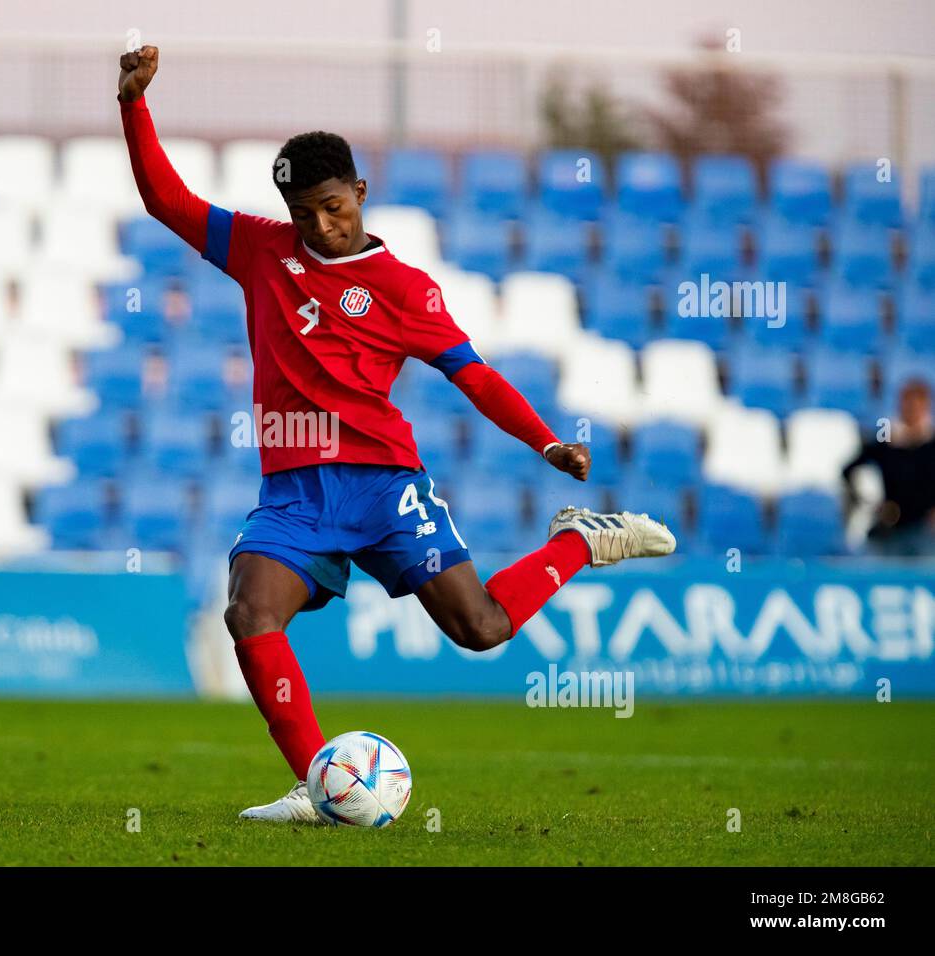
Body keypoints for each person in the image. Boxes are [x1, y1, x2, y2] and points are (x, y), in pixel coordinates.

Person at [117, 45, 675, 822]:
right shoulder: (258, 248)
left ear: (361, 192)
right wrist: (134, 105)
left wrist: (546, 442)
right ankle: (317, 785)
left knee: (481, 629)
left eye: (334, 206)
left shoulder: (406, 290)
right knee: (249, 611)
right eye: (304, 211)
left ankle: (581, 540)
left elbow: (473, 374)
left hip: (384, 484)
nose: (321, 224)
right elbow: (165, 200)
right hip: (295, 496)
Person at [843, 377, 935, 557]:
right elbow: (850, 468)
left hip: (925, 531)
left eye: (918, 405)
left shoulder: (932, 443)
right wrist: (868, 502)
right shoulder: (886, 437)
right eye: (907, 403)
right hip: (891, 527)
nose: (912, 410)